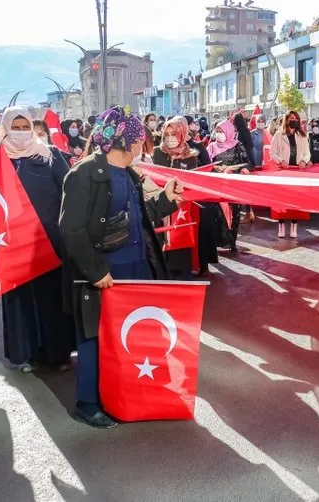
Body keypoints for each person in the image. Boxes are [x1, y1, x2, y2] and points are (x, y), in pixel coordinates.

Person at [60, 106, 182, 428]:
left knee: (136, 336)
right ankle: (88, 403)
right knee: (95, 338)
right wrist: (96, 271)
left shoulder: (129, 174)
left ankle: (130, 393)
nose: (143, 147)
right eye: (140, 141)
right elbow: (71, 230)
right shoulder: (82, 174)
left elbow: (140, 217)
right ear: (128, 143)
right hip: (103, 275)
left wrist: (167, 199)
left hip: (138, 269)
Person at [0, 106, 76, 374]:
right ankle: (29, 353)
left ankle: (59, 352)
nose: (20, 133)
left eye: (24, 126)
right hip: (16, 245)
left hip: (50, 241)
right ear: (6, 128)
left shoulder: (49, 155)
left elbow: (69, 191)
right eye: (15, 127)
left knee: (52, 298)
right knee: (23, 300)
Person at [153, 116, 208, 277]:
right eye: (167, 134)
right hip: (159, 207)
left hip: (181, 211)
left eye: (174, 134)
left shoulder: (190, 155)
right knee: (161, 255)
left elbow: (193, 183)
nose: (170, 138)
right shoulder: (156, 153)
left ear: (182, 134)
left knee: (180, 253)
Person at [208, 119, 251, 252]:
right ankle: (219, 241)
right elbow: (206, 165)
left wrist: (234, 169)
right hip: (217, 184)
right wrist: (217, 168)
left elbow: (246, 163)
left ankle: (231, 242)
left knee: (235, 213)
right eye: (217, 131)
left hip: (233, 184)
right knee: (218, 213)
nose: (219, 134)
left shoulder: (237, 145)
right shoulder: (211, 147)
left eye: (221, 131)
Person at [270, 110, 311, 239]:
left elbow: (307, 153)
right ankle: (281, 225)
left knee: (295, 199)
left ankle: (294, 225)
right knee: (281, 200)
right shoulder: (278, 134)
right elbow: (272, 152)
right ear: (286, 120)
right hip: (283, 171)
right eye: (291, 118)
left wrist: (304, 161)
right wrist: (280, 161)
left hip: (297, 172)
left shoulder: (302, 135)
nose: (294, 120)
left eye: (296, 118)